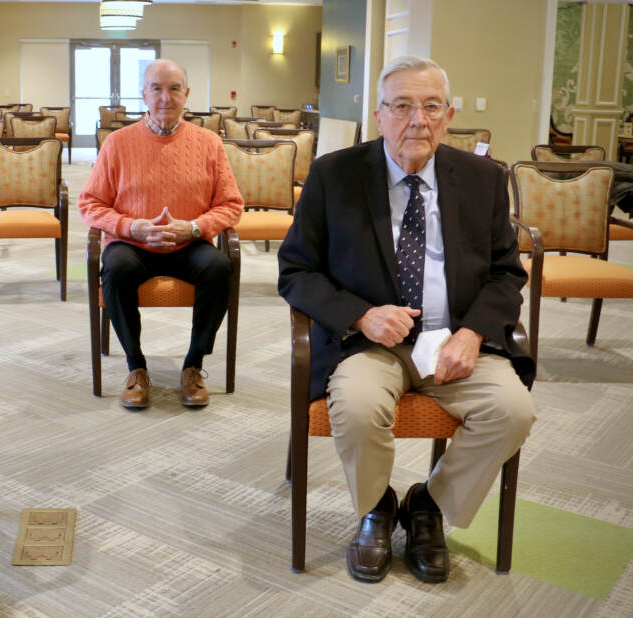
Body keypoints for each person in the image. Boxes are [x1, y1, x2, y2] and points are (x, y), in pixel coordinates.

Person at [277, 56, 535, 584]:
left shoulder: (485, 179)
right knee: (358, 404)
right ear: (378, 115)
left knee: (512, 411)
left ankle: (429, 506)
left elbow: (507, 274)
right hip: (370, 344)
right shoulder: (334, 175)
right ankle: (377, 507)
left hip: (457, 342)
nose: (416, 120)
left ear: (449, 114)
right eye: (401, 106)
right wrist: (362, 316)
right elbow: (295, 272)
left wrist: (472, 333)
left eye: (431, 106)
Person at [78, 59, 243, 409]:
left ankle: (193, 365)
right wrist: (129, 226)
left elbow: (231, 205)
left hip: (190, 244)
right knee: (116, 269)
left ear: (187, 95)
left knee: (219, 268)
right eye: (157, 88)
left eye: (174, 89)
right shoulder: (118, 143)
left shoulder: (210, 143)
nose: (165, 98)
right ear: (144, 95)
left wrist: (194, 228)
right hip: (132, 244)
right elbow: (90, 204)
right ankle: (136, 367)